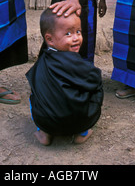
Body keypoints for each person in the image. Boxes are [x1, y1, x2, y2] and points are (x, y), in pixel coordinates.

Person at [26, 8, 103, 145]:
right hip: (78, 122)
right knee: (96, 87)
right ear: (49, 39)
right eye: (68, 34)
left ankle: (44, 134)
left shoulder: (42, 60)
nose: (76, 38)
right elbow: (95, 78)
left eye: (78, 32)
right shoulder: (76, 63)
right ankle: (82, 133)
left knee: (34, 95)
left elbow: (34, 83)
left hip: (47, 122)